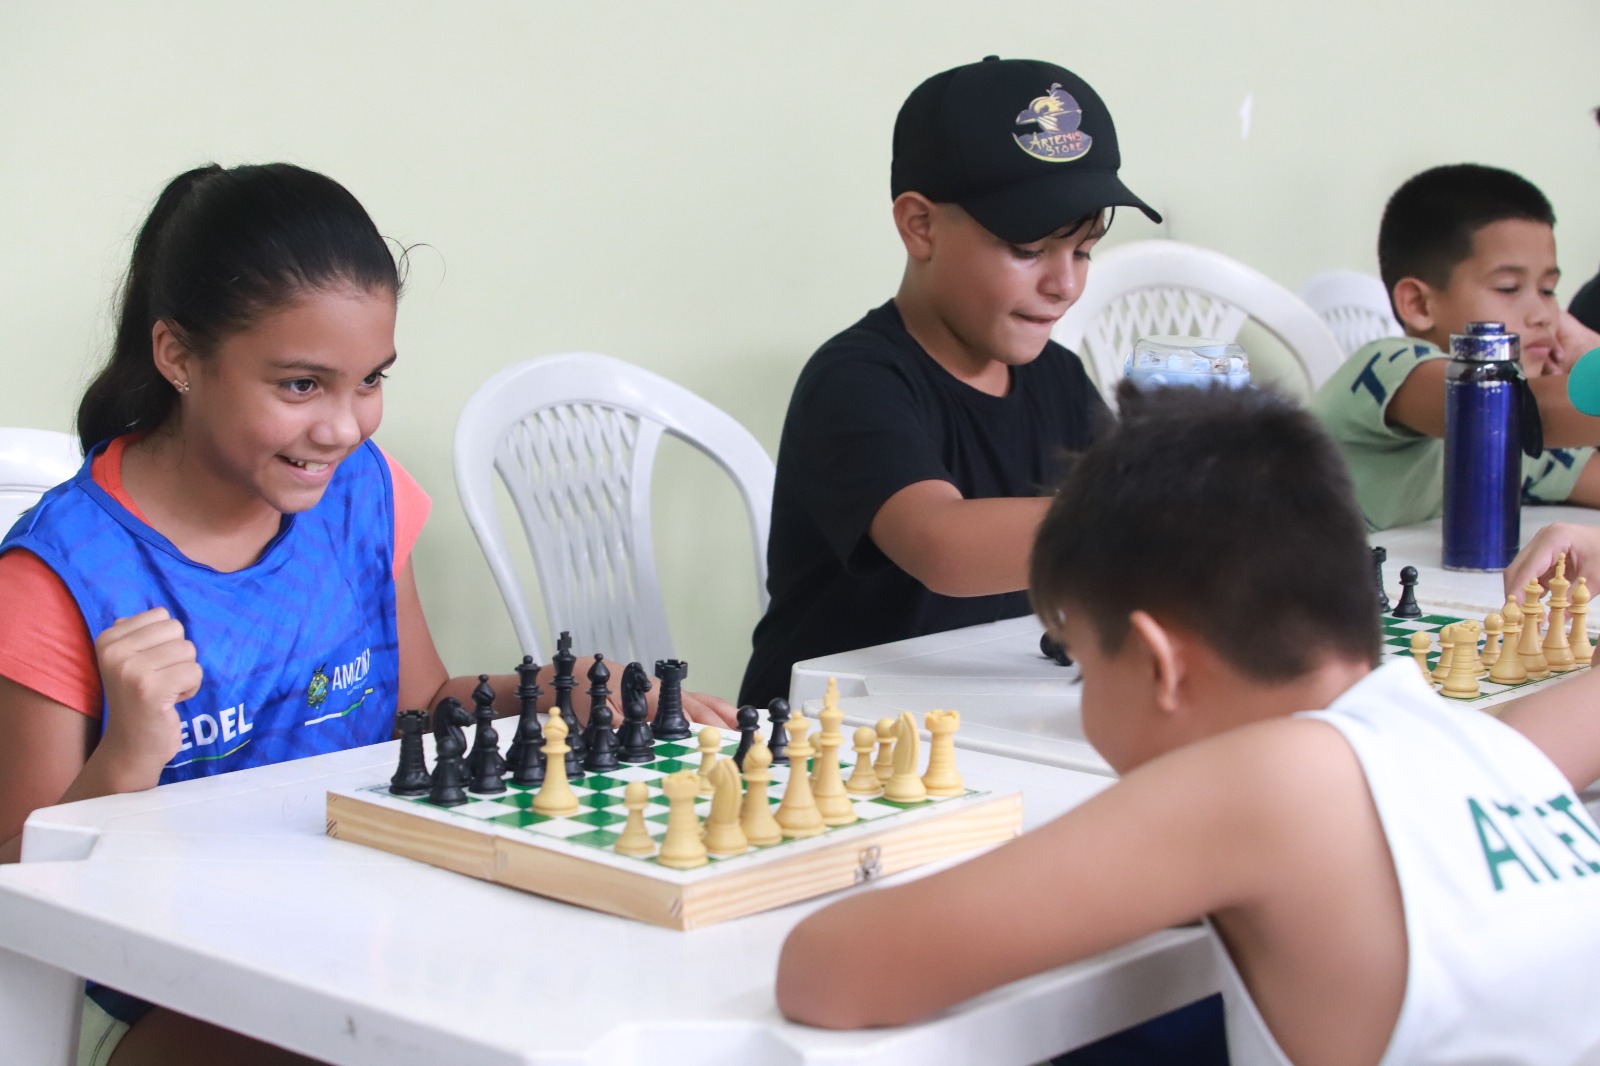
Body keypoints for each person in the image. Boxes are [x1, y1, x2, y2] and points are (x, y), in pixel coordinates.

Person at [0, 163, 731, 1066]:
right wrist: (126, 756)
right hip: (161, 996)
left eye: (370, 381)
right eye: (302, 385)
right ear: (178, 357)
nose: (345, 428)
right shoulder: (62, 573)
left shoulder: (361, 494)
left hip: (360, 931)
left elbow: (414, 705)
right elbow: (16, 876)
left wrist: (553, 691)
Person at [777, 383, 1600, 1065]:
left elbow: (829, 972)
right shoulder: (1484, 743)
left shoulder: (1262, 783)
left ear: (1157, 662)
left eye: (1080, 665)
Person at [738, 56, 1160, 709]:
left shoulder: (1059, 378)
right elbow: (943, 545)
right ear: (920, 226)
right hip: (830, 735)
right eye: (1028, 250)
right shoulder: (854, 380)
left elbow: (1122, 522)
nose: (1065, 284)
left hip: (986, 713)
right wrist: (1165, 516)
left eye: (1082, 250)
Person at [1310, 163, 1600, 531]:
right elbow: (1506, 409)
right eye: (1508, 288)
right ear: (1419, 304)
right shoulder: (1388, 365)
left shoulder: (1528, 451)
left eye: (1548, 290)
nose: (1542, 315)